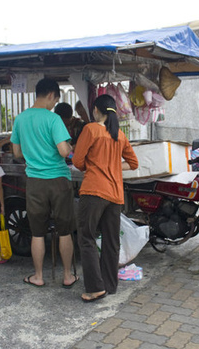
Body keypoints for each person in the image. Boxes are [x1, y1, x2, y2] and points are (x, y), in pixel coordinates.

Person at [10, 78, 78, 288]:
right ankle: (67, 275)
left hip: (35, 182)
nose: (54, 104)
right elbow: (64, 151)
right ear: (51, 95)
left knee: (37, 232)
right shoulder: (54, 119)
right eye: (55, 99)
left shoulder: (20, 119)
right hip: (58, 180)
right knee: (64, 230)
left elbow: (17, 152)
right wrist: (69, 144)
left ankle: (38, 276)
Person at [72, 94, 139, 302]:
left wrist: (94, 167)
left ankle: (94, 288)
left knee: (87, 238)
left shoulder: (91, 129)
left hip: (93, 191)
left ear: (96, 111)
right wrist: (112, 166)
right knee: (111, 241)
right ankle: (109, 285)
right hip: (115, 194)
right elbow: (133, 163)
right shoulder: (119, 134)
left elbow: (77, 161)